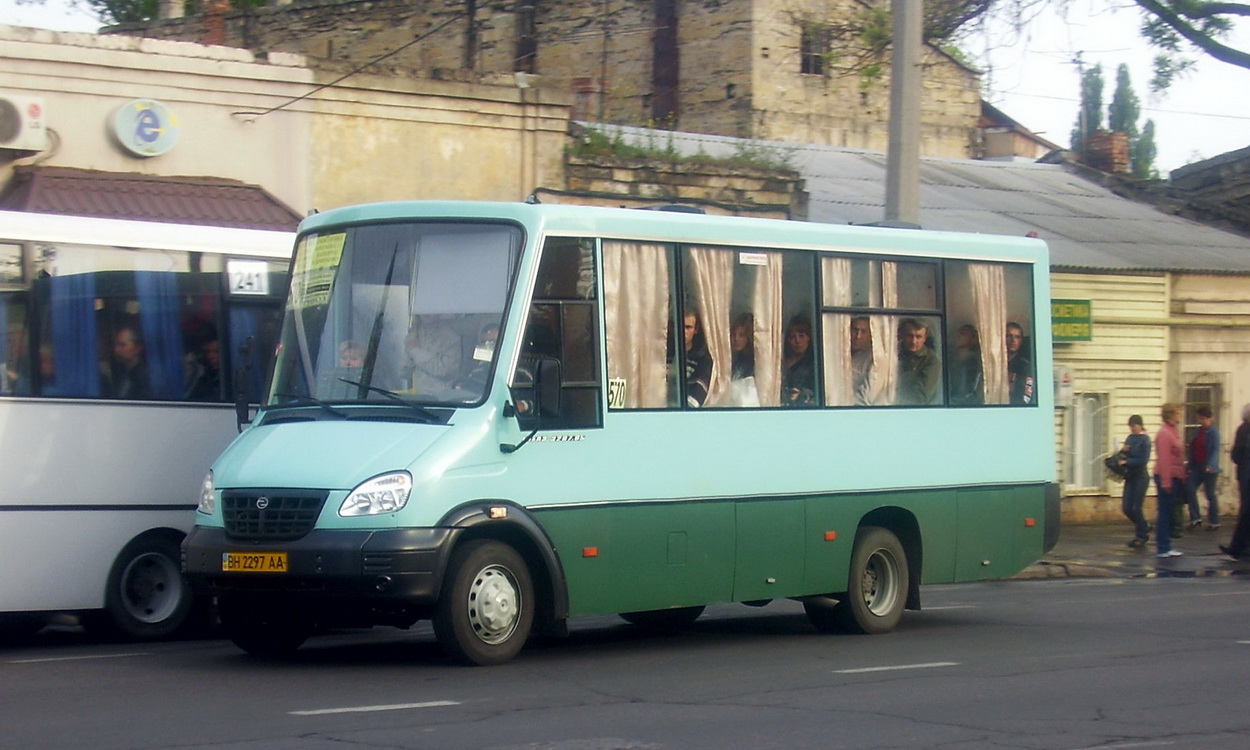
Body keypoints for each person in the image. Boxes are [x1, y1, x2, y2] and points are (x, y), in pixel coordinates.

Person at [1154, 402, 1187, 558]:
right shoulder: (1164, 434)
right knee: (1165, 512)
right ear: (1170, 415)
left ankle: (1167, 545)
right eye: (1177, 413)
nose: (1180, 416)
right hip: (1166, 476)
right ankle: (1162, 547)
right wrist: (1166, 482)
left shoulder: (1174, 431)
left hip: (1176, 476)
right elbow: (1165, 459)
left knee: (1170, 511)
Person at [1219, 403, 1250, 559]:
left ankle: (1238, 547)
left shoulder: (1243, 430)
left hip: (1245, 476)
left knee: (1246, 513)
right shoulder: (1244, 430)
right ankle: (1238, 547)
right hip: (1247, 477)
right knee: (1246, 513)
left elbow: (1236, 455)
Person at [1184, 405, 1222, 530]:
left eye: (1204, 419)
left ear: (1210, 419)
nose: (1201, 421)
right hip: (1197, 465)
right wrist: (1189, 465)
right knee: (1190, 488)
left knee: (1210, 494)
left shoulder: (1214, 432)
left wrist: (1211, 465)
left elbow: (1215, 450)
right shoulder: (1198, 431)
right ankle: (1195, 518)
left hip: (1209, 466)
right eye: (1200, 419)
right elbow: (1193, 447)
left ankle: (1214, 521)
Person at [404, 316, 461, 394]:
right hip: (415, 398)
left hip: (441, 399)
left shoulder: (451, 338)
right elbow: (403, 373)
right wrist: (409, 357)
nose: (428, 314)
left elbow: (446, 370)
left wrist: (416, 352)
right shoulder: (413, 335)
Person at [1119, 414, 1152, 548]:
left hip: (1141, 476)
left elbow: (1143, 460)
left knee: (1136, 507)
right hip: (1130, 476)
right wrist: (1123, 451)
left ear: (1140, 425)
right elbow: (1121, 455)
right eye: (1131, 426)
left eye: (1134, 426)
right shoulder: (1130, 438)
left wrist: (1128, 461)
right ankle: (1144, 525)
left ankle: (1141, 535)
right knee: (1126, 508)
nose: (1133, 429)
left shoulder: (1145, 440)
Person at [897, 318, 940, 405]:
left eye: (918, 337)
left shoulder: (931, 360)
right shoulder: (893, 353)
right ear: (903, 335)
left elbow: (920, 396)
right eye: (910, 336)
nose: (914, 341)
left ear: (924, 339)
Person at [781, 314, 815, 407]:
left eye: (801, 336)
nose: (797, 341)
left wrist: (802, 394)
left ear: (809, 338)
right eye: (792, 337)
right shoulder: (781, 363)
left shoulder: (813, 365)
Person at [108, 326, 150, 399]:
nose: (116, 350)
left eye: (122, 345)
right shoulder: (120, 373)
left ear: (137, 348)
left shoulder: (144, 378)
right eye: (116, 345)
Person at [727, 313, 759, 407]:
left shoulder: (754, 362)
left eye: (741, 335)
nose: (736, 339)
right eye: (733, 334)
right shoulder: (735, 359)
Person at [949, 324, 984, 406]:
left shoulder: (974, 363)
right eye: (957, 333)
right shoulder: (951, 359)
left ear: (973, 339)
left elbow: (974, 393)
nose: (958, 336)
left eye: (963, 333)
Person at [682, 311, 712, 407]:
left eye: (688, 327)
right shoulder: (663, 356)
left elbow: (696, 398)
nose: (683, 331)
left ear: (696, 329)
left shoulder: (703, 359)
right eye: (680, 326)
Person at [1006, 322, 1035, 405]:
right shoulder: (995, 364)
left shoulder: (1025, 367)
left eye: (1017, 337)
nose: (1013, 340)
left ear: (1021, 341)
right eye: (1009, 336)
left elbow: (1026, 398)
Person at [849, 315, 874, 406]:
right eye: (855, 330)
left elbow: (866, 397)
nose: (858, 336)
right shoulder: (839, 354)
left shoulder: (873, 359)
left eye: (863, 332)